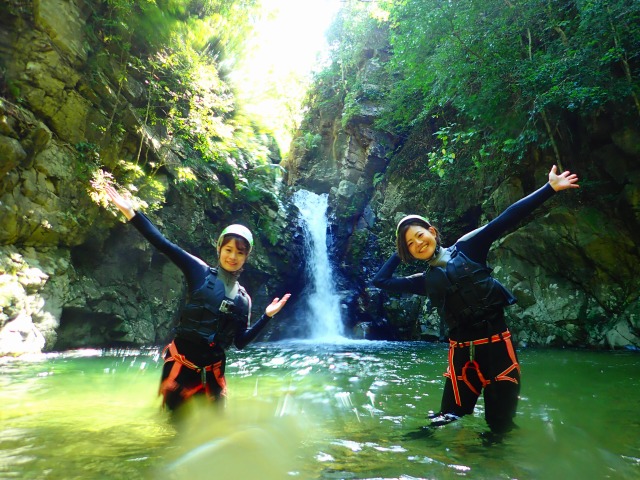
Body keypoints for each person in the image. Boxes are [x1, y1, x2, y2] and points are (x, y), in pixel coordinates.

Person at [373, 165, 579, 434]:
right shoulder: (424, 282)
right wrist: (399, 251)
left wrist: (549, 188)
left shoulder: (468, 247)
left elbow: (504, 219)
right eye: (410, 244)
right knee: (444, 419)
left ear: (432, 232)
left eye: (419, 235)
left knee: (499, 427)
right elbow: (381, 281)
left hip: (497, 351)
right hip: (461, 357)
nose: (418, 244)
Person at [101, 184, 291, 413]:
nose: (233, 256)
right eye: (229, 249)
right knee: (173, 431)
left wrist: (267, 316)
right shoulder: (199, 271)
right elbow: (164, 244)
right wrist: (132, 213)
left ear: (246, 257)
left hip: (213, 374)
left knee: (215, 431)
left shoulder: (244, 299)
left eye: (240, 252)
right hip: (181, 368)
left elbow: (240, 342)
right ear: (219, 248)